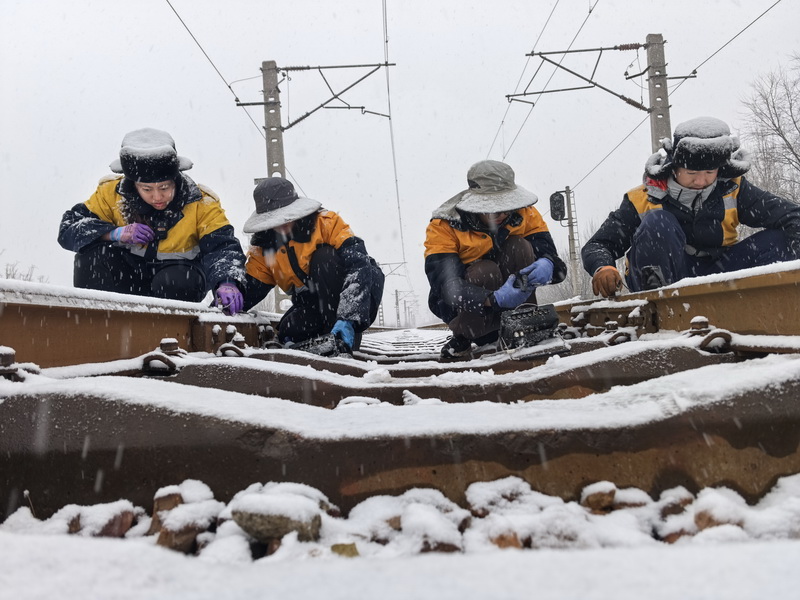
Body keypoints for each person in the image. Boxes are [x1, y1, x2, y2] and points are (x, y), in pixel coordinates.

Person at [582, 116, 800, 298]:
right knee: (658, 222)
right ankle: (660, 307)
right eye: (692, 174)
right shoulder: (642, 198)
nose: (701, 181)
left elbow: (792, 216)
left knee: (780, 240)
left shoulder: (734, 188)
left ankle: (767, 301)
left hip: (719, 272)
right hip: (666, 275)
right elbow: (598, 245)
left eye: (709, 173)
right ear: (674, 168)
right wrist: (604, 267)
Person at [58, 128, 246, 313]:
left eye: (164, 187)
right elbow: (69, 229)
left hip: (178, 279)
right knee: (91, 258)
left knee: (176, 280)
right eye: (147, 189)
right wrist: (114, 234)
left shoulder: (201, 202)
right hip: (128, 278)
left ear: (176, 179)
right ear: (134, 186)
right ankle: (99, 323)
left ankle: (170, 334)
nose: (157, 197)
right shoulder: (110, 194)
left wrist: (227, 281)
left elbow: (222, 246)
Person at [424, 160, 567, 360]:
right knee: (485, 270)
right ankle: (471, 334)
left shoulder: (526, 214)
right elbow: (446, 286)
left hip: (515, 307)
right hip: (469, 307)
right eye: (494, 209)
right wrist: (492, 299)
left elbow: (557, 265)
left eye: (506, 207)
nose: (502, 215)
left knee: (519, 247)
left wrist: (549, 264)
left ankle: (524, 322)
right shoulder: (443, 226)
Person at [241, 177, 384, 352]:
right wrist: (229, 296)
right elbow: (252, 287)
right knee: (288, 330)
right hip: (313, 302)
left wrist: (348, 316)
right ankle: (323, 340)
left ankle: (340, 339)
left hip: (357, 294)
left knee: (324, 258)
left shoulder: (327, 223)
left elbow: (358, 265)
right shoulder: (266, 248)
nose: (282, 225)